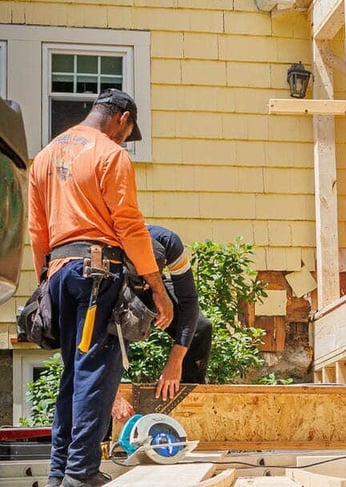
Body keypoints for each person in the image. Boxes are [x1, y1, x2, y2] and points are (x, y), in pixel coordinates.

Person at [28, 88, 174, 487]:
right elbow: (128, 225)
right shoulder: (110, 155)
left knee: (74, 376)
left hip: (58, 271)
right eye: (127, 132)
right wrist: (156, 287)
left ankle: (61, 472)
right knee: (95, 374)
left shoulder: (44, 157)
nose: (125, 139)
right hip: (96, 273)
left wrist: (45, 280)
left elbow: (37, 230)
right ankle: (81, 474)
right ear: (122, 119)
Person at [111, 225, 214, 422]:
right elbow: (96, 337)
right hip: (120, 286)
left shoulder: (170, 244)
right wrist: (113, 395)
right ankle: (107, 422)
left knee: (200, 328)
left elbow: (189, 301)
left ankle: (187, 403)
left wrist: (175, 362)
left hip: (156, 284)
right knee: (113, 336)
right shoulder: (111, 248)